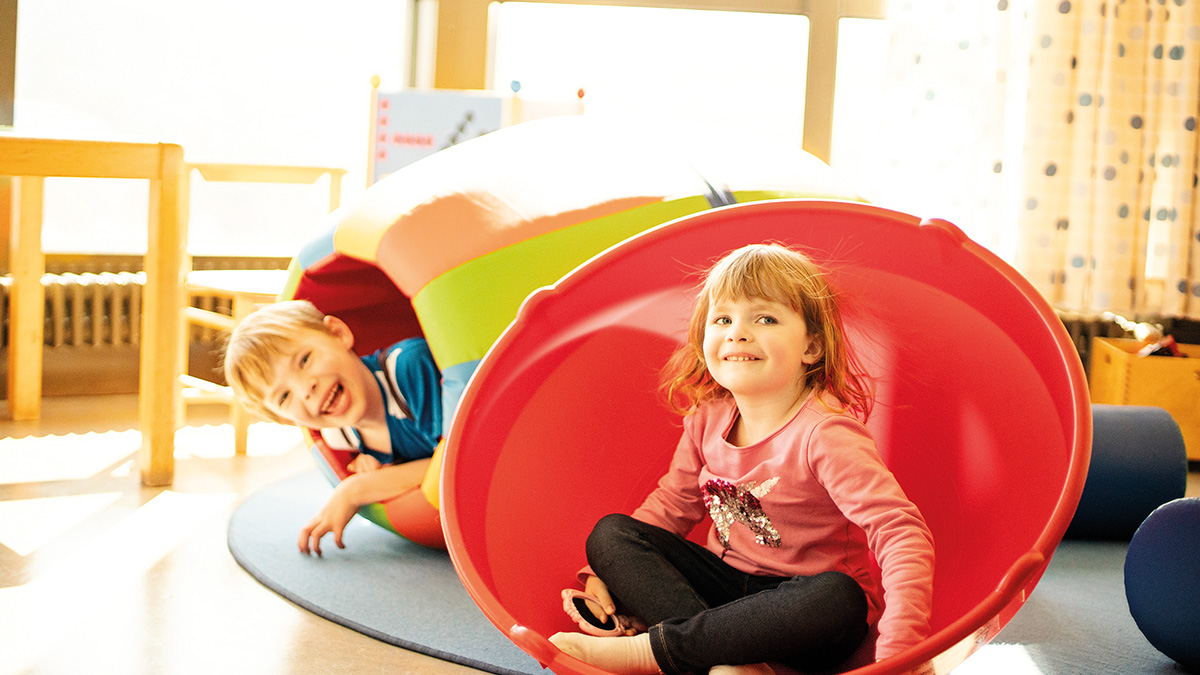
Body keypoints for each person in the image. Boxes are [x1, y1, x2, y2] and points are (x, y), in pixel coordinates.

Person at [549, 243, 935, 675]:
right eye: (723, 319)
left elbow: (900, 532)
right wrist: (603, 573)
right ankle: (733, 664)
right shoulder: (707, 419)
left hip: (804, 616)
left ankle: (655, 653)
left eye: (765, 318)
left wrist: (903, 651)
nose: (737, 332)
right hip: (723, 601)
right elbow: (671, 508)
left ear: (811, 346)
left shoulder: (825, 434)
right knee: (611, 535)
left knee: (838, 595)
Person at [224, 299, 443, 556]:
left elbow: (458, 465)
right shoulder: (341, 436)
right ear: (286, 420)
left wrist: (356, 489)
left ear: (338, 334)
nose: (306, 389)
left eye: (304, 360)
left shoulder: (408, 369)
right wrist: (384, 468)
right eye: (284, 397)